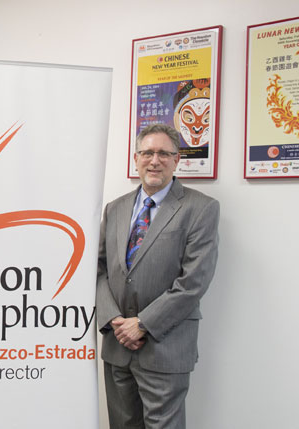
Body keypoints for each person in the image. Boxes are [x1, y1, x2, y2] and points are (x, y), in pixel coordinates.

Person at [96, 124, 219, 428]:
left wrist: (142, 324)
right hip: (117, 345)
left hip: (165, 347)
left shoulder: (200, 208)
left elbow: (193, 282)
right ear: (136, 158)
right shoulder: (114, 209)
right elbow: (99, 269)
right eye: (147, 153)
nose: (155, 160)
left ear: (177, 160)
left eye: (164, 153)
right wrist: (114, 319)